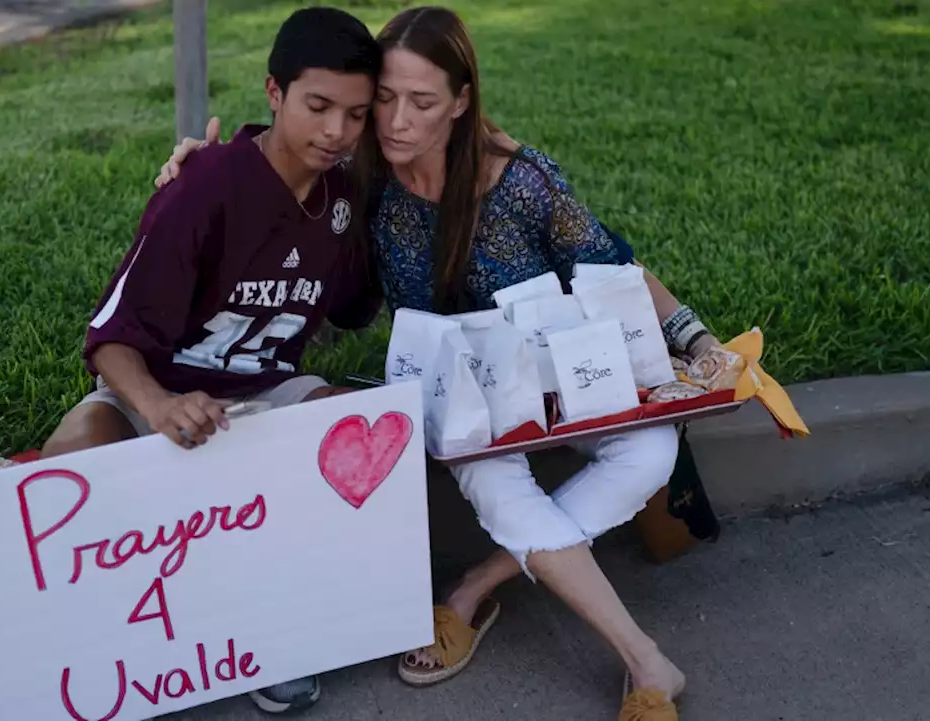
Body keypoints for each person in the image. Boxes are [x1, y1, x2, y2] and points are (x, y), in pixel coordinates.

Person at [155, 7, 725, 720]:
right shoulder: (362, 186)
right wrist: (198, 170)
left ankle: (471, 589)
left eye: (423, 102)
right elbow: (281, 157)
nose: (396, 121)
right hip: (449, 397)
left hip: (555, 381)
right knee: (489, 470)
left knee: (648, 448)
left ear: (461, 102)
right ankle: (646, 661)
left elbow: (615, 266)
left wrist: (700, 343)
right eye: (386, 99)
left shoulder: (520, 181)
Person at [37, 7, 383, 715]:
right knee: (66, 462)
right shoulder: (204, 187)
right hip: (158, 387)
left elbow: (353, 306)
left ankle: (272, 634)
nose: (336, 133)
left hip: (266, 389)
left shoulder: (343, 198)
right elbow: (110, 338)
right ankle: (99, 651)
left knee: (349, 432)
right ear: (273, 93)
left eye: (356, 115)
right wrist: (159, 405)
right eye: (318, 107)